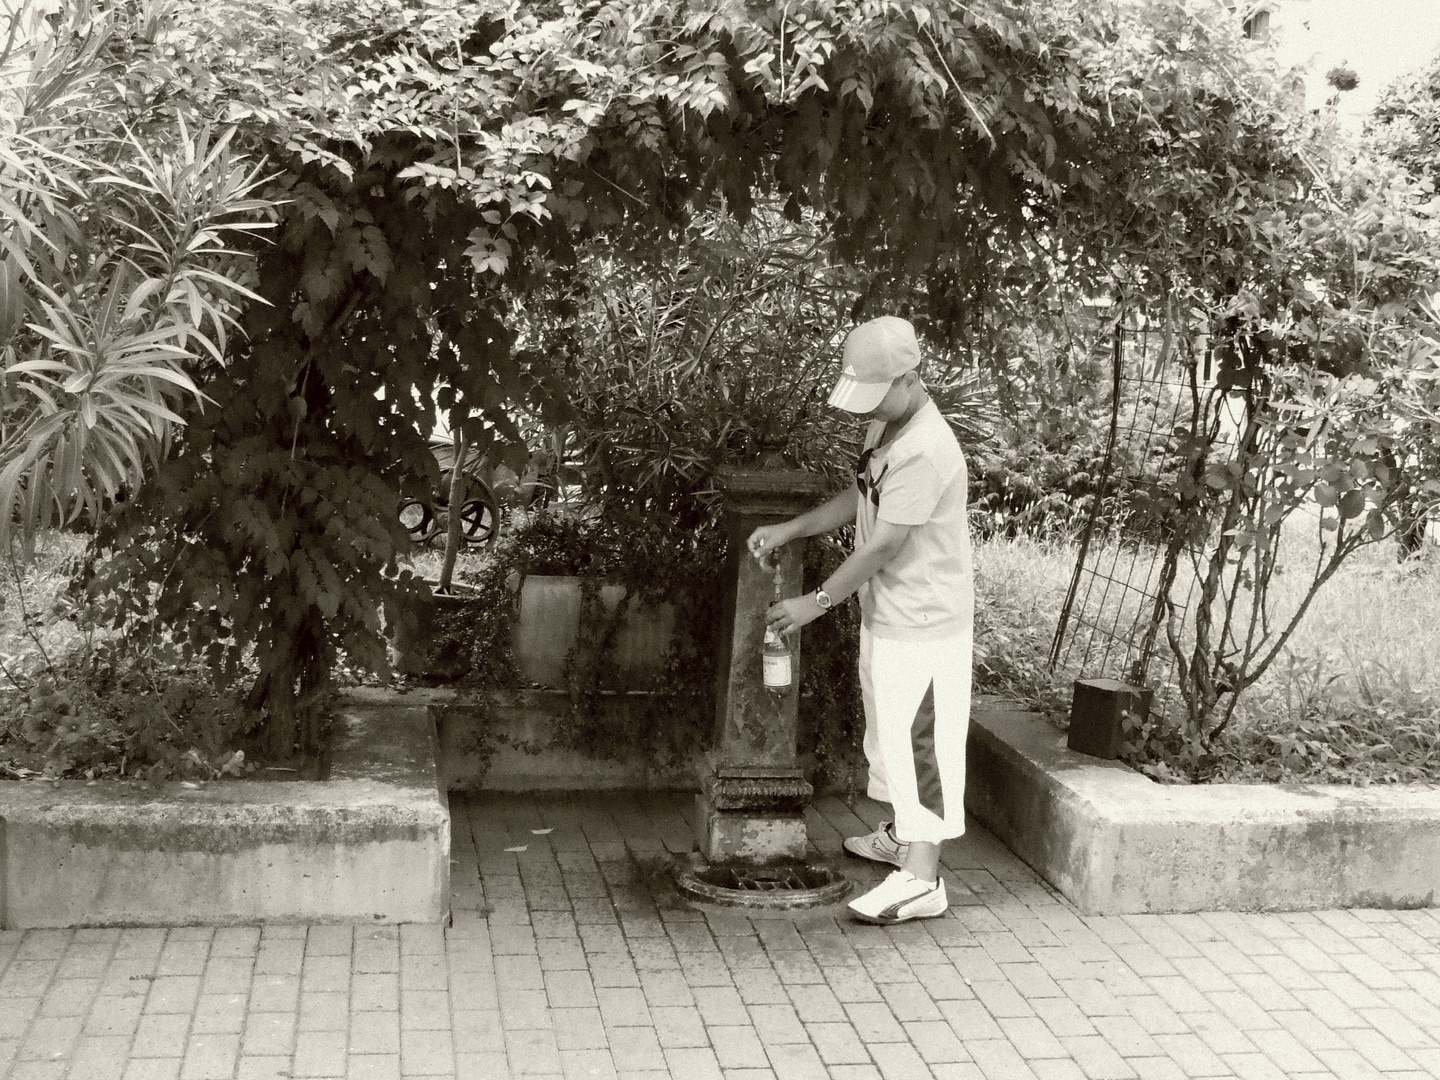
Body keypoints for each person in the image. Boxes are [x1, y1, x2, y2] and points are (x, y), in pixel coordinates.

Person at [746, 315, 974, 925]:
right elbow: (862, 496)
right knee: (889, 739)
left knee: (919, 747)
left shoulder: (927, 448)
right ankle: (903, 837)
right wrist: (792, 527)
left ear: (910, 378)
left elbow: (882, 546)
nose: (863, 411)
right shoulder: (888, 424)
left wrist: (813, 604)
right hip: (890, 615)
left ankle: (924, 880)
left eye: (876, 394)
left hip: (924, 624)